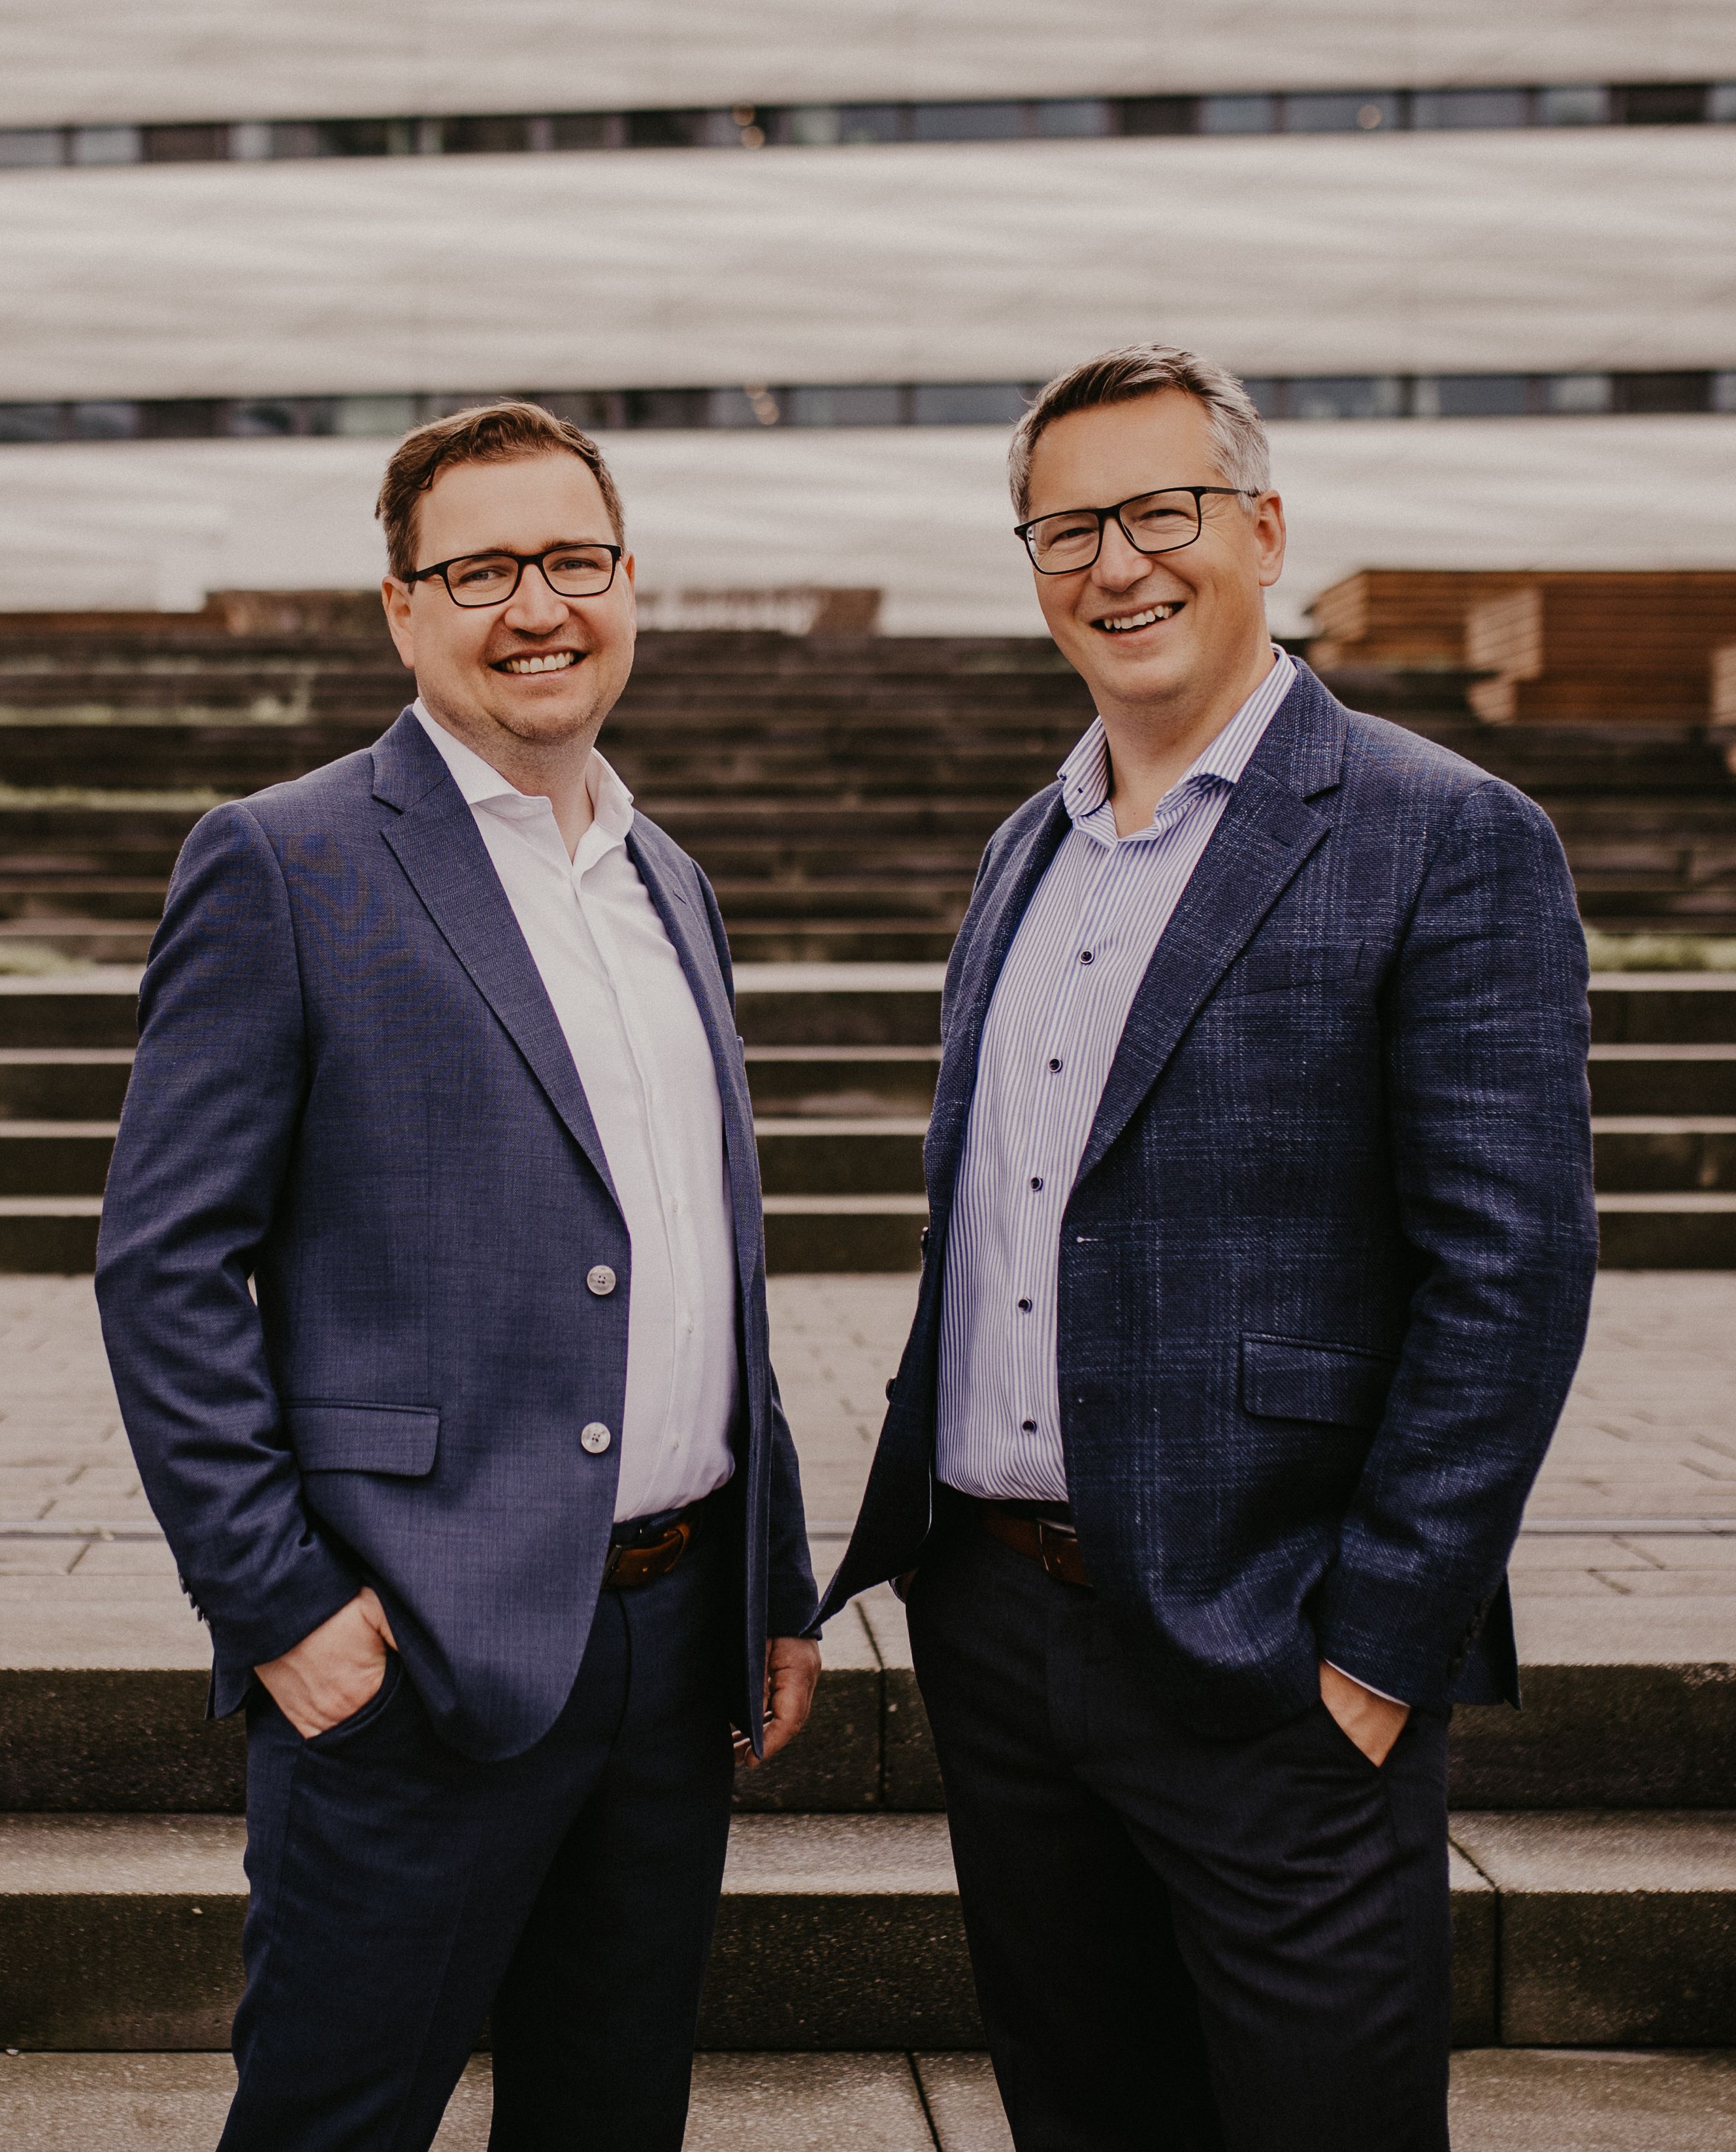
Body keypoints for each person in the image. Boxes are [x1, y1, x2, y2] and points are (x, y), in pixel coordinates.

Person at [816, 344, 1596, 2151]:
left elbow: (1510, 1279)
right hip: (1002, 1634)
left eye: (1158, 511)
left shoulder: (1444, 837)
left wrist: (1376, 1654)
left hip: (1274, 1644)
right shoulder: (1030, 848)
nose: (1115, 563)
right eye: (1064, 527)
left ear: (1259, 527)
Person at [97, 399, 821, 2152]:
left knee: (609, 2116)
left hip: (665, 1648)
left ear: (631, 582)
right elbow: (161, 1263)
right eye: (480, 568)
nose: (536, 606)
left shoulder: (670, 880)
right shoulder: (287, 859)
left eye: (572, 560)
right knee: (334, 2124)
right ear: (402, 607)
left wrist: (771, 1579)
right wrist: (276, 1607)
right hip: (407, 1646)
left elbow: (702, 1259)